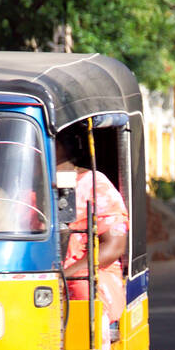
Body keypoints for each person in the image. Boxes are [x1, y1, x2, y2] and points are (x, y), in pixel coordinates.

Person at [56, 124, 128, 325]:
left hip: (89, 274)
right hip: (40, 275)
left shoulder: (95, 183)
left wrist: (65, 276)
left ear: (60, 146)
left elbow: (114, 246)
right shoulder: (27, 184)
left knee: (82, 291)